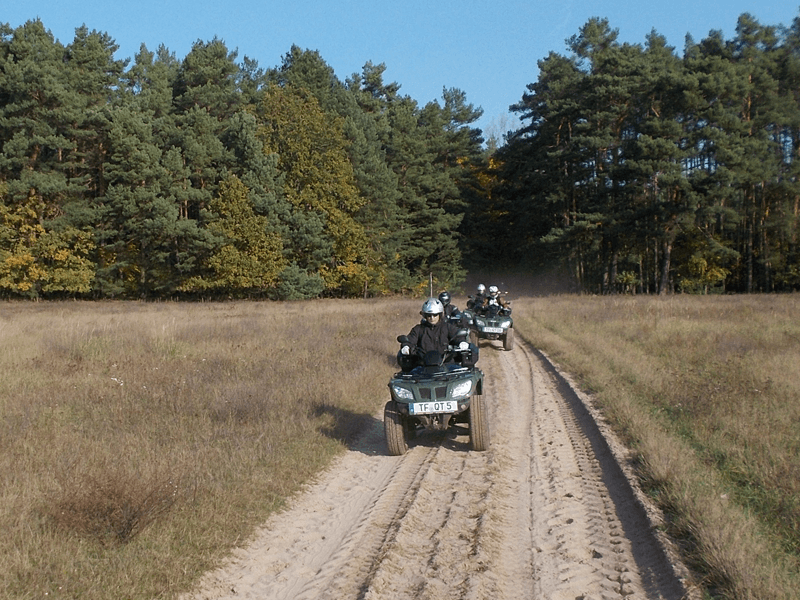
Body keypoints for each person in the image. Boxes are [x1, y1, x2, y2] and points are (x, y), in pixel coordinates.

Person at [398, 297, 470, 371]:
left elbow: (457, 336)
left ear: (440, 315)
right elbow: (410, 340)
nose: (432, 318)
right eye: (429, 315)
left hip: (446, 365)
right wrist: (406, 346)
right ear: (425, 315)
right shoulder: (418, 329)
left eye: (435, 315)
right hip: (423, 366)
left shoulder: (447, 327)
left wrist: (462, 342)